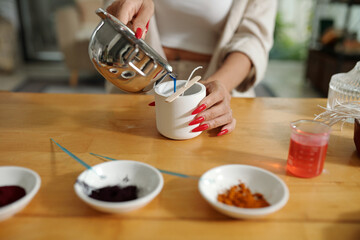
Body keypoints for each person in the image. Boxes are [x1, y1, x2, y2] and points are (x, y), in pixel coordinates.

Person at [104, 0, 277, 136]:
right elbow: (112, 13)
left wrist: (218, 87)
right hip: (138, 75)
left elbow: (253, 40)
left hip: (222, 80)